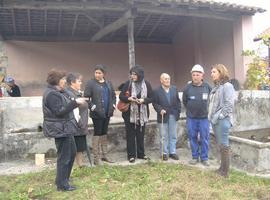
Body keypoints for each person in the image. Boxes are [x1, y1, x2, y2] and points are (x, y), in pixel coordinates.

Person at [42, 69, 86, 191]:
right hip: (60, 129)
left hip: (65, 128)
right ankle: (62, 185)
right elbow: (59, 111)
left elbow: (67, 96)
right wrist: (75, 103)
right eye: (62, 79)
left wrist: (74, 97)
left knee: (71, 152)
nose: (64, 81)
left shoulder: (57, 91)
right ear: (56, 80)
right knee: (65, 156)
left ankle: (63, 179)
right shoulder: (51, 94)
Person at [119, 65, 153, 163]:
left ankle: (141, 154)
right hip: (129, 114)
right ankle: (131, 155)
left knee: (140, 134)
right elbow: (121, 96)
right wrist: (128, 98)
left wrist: (143, 100)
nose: (132, 76)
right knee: (130, 135)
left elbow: (151, 98)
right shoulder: (128, 84)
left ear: (140, 75)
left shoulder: (147, 84)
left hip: (143, 114)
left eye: (134, 74)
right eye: (131, 74)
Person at [84, 65, 116, 165]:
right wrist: (92, 107)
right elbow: (87, 97)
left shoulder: (108, 83)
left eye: (99, 73)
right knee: (97, 133)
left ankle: (104, 155)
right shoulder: (90, 83)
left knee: (104, 132)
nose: (97, 75)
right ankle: (96, 158)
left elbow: (113, 96)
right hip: (97, 114)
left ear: (104, 74)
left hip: (107, 112)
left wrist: (113, 105)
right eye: (96, 72)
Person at [208, 64, 235, 177]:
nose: (212, 74)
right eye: (211, 72)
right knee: (221, 145)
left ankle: (225, 172)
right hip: (215, 120)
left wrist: (220, 116)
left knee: (224, 145)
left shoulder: (227, 86)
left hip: (222, 120)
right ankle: (221, 168)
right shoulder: (216, 87)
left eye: (214, 72)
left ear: (221, 73)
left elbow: (229, 104)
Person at [182, 64, 212, 166]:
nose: (195, 77)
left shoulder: (207, 87)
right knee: (192, 137)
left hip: (204, 118)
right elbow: (185, 101)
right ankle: (195, 157)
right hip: (191, 118)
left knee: (205, 138)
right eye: (193, 75)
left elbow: (212, 100)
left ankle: (204, 158)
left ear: (202, 75)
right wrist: (191, 110)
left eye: (197, 75)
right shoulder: (187, 88)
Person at [153, 73, 181, 161]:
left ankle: (172, 152)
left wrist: (178, 111)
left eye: (168, 78)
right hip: (163, 115)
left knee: (173, 135)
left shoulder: (174, 89)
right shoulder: (157, 91)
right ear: (161, 80)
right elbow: (155, 103)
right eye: (165, 79)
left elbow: (178, 101)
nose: (167, 80)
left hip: (173, 115)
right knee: (163, 135)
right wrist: (160, 109)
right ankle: (164, 153)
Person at [65, 73, 89, 168]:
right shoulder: (69, 94)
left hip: (81, 123)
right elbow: (73, 110)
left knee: (80, 145)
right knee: (75, 145)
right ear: (72, 82)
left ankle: (80, 164)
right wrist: (79, 123)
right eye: (79, 81)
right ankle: (76, 165)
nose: (81, 83)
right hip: (76, 124)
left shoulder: (77, 92)